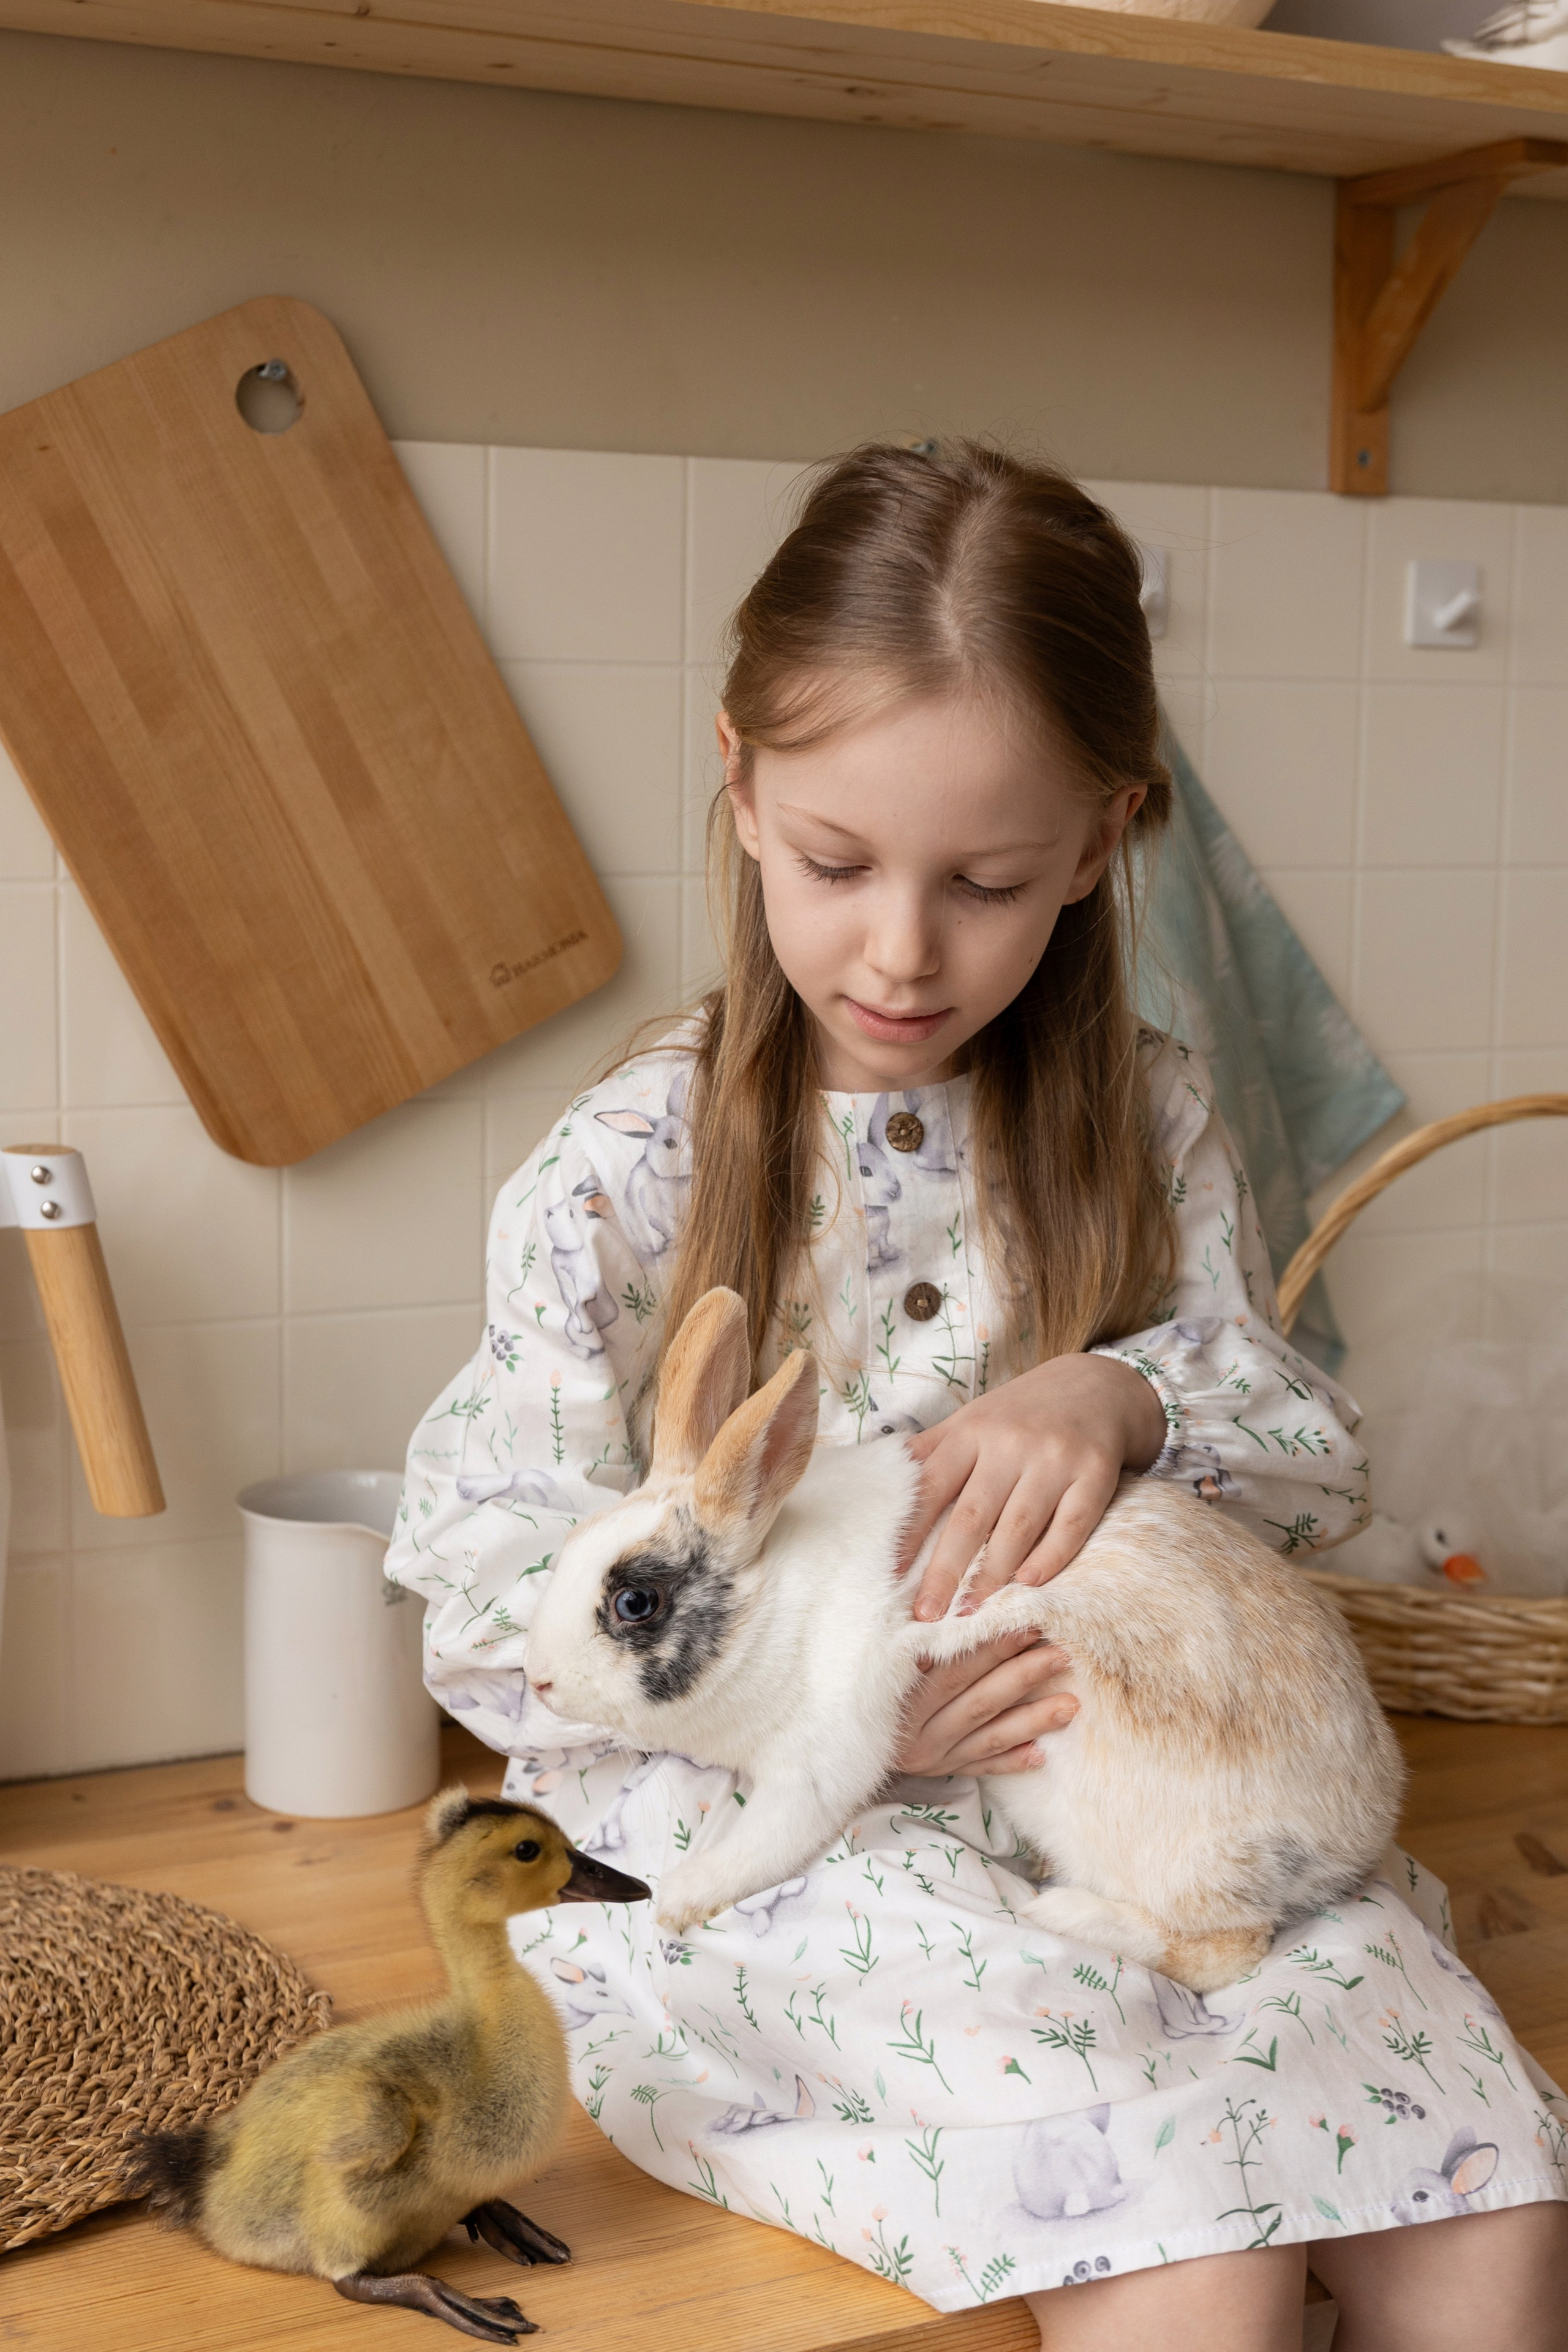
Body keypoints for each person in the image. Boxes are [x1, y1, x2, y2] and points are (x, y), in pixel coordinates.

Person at [386, 443, 1567, 2348]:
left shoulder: (1149, 1121)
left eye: (989, 880)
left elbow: (1305, 1460)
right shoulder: (632, 1166)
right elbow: (485, 1572)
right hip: (811, 1866)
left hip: (1149, 1826)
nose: (905, 948)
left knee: (1494, 2224)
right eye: (839, 865)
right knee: (1204, 2270)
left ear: (1101, 843)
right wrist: (842, 1722)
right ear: (743, 785)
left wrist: (1127, 1397)